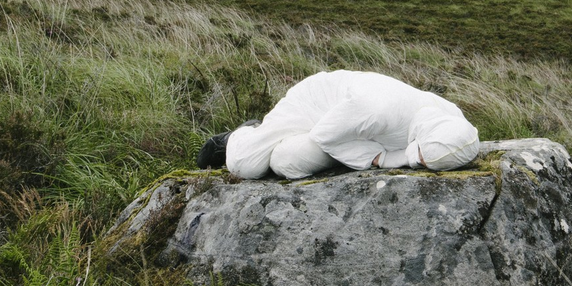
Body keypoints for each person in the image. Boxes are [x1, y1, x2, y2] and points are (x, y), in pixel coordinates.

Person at [197, 70, 482, 180]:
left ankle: (353, 149)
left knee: (286, 161)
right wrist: (387, 158)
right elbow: (325, 135)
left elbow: (462, 145)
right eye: (420, 159)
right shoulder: (376, 110)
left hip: (354, 129)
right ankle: (241, 134)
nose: (416, 163)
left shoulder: (451, 116)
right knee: (246, 165)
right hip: (316, 104)